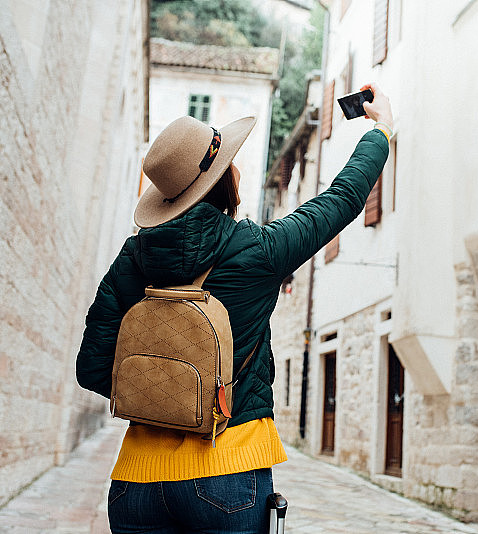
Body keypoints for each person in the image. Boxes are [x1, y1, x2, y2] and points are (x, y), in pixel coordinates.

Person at [76, 83, 393, 534]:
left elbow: (92, 368)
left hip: (136, 484)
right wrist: (381, 130)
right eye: (230, 163)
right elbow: (341, 199)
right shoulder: (256, 250)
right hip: (229, 472)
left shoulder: (134, 257)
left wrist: (165, 392)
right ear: (220, 181)